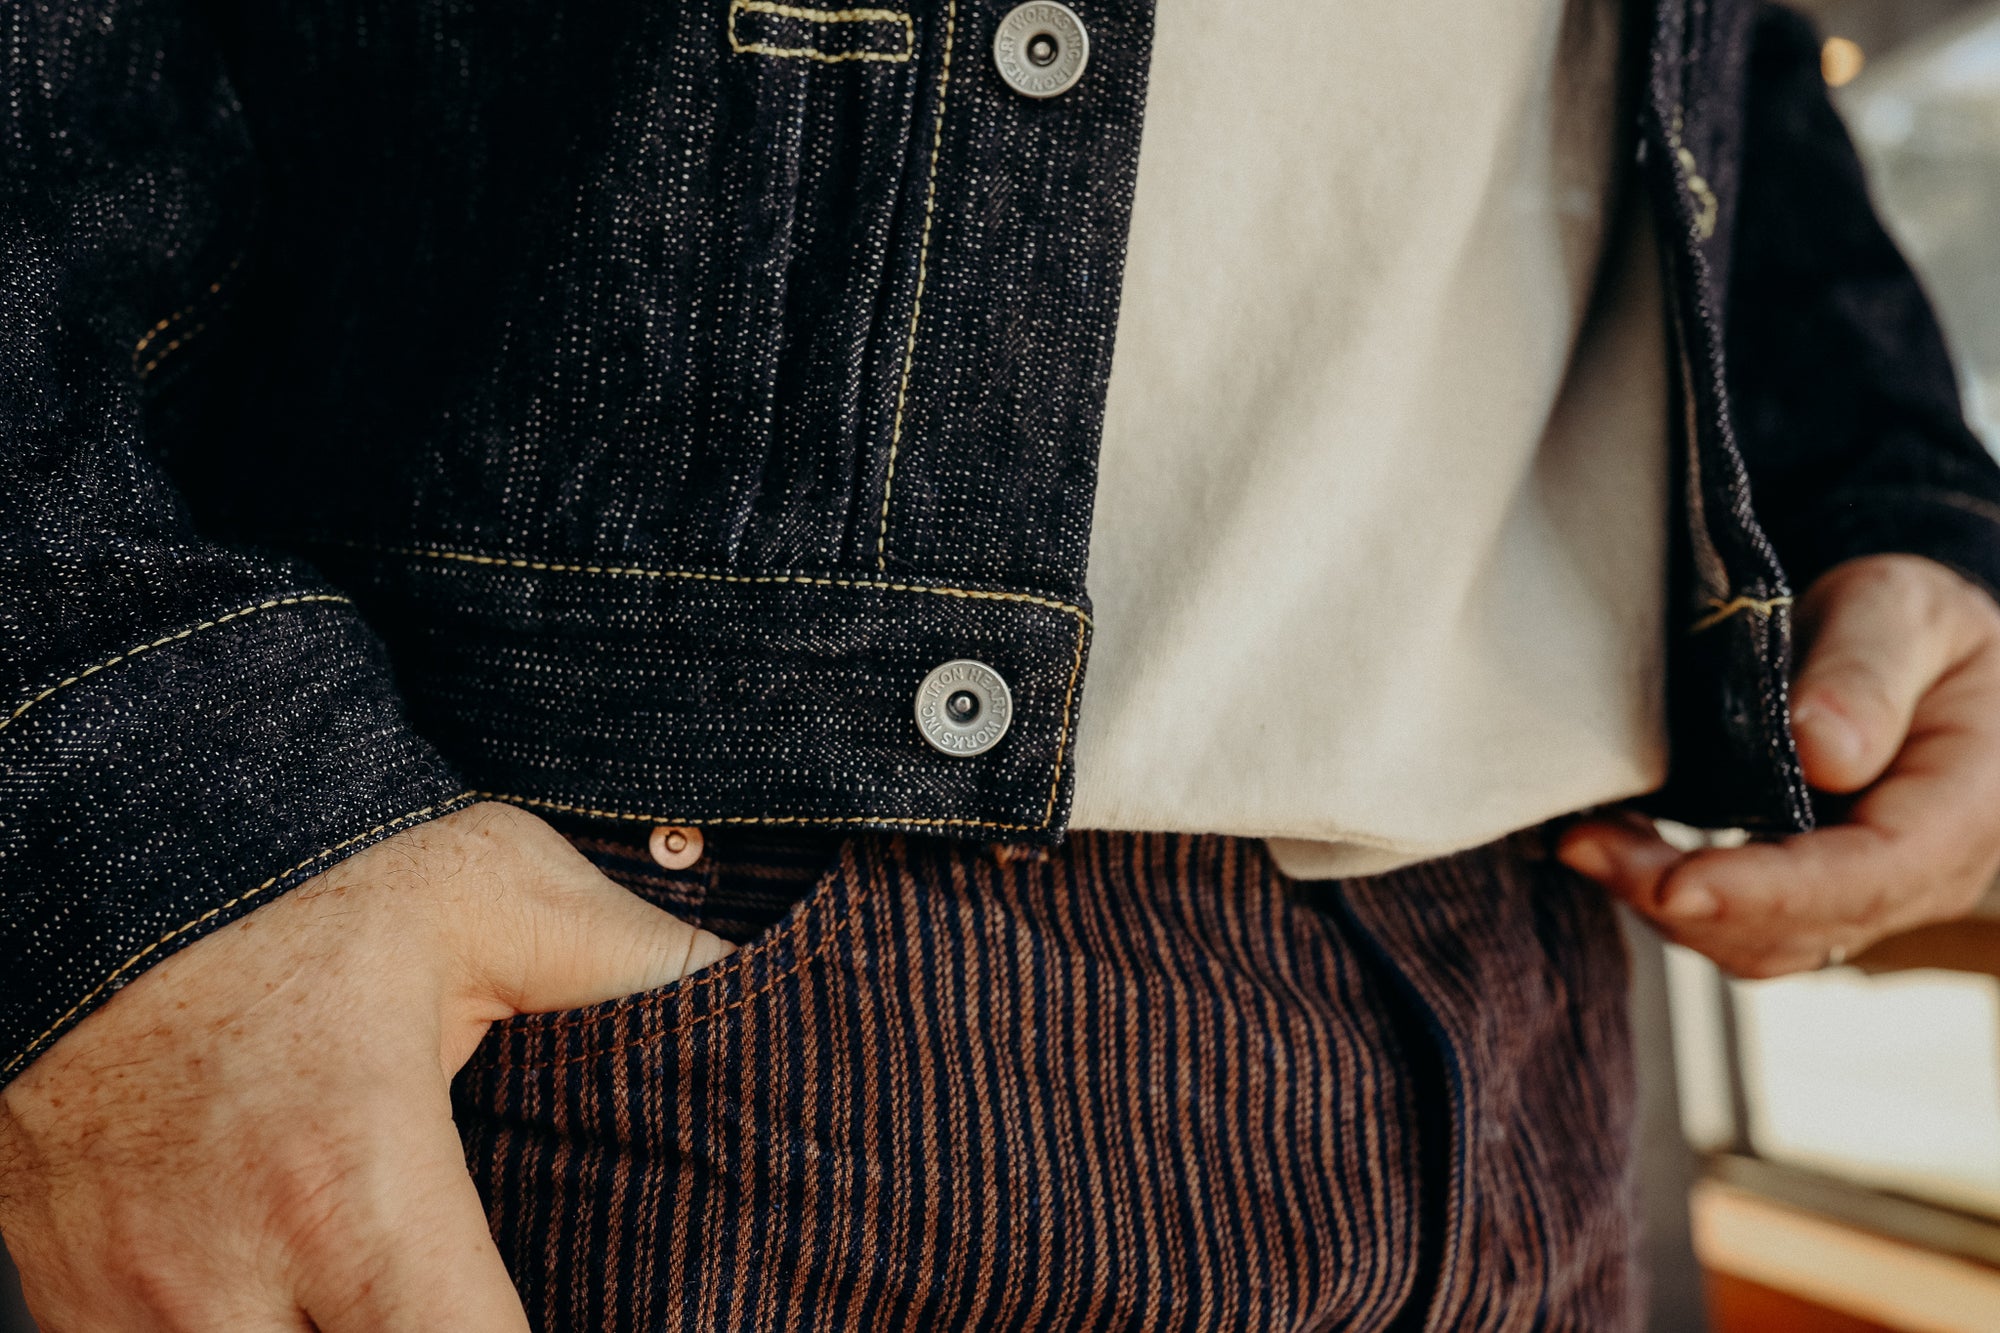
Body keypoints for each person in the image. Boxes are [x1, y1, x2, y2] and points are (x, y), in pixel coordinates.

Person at [5, 0, 1999, 1327]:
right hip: (622, 979)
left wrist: (1896, 498)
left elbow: (1714, 83)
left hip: (1525, 1003)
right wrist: (108, 785)